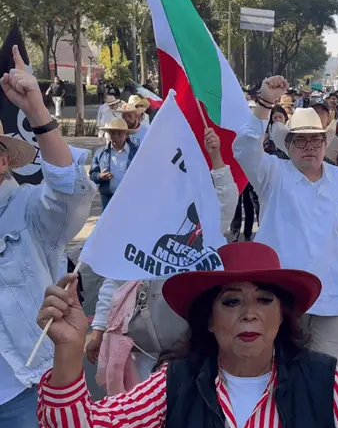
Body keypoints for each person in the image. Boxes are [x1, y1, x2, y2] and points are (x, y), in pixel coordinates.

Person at [36, 243, 338, 428]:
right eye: (231, 302)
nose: (249, 314)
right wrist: (68, 351)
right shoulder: (174, 384)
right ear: (210, 320)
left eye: (264, 300)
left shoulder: (322, 381)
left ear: (282, 315)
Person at [234, 78, 338, 370]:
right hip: (282, 299)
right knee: (279, 371)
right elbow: (245, 148)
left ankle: (325, 418)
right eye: (300, 140)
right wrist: (265, 102)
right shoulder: (273, 175)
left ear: (325, 143)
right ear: (288, 145)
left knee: (329, 376)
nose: (309, 146)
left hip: (333, 297)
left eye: (315, 139)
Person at [86, 128, 241, 382]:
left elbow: (227, 201)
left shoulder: (206, 225)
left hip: (196, 344)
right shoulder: (137, 225)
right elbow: (113, 282)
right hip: (146, 347)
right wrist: (98, 329)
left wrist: (216, 158)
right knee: (149, 413)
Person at [0, 45, 96, 428]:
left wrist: (37, 111)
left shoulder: (27, 211)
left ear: (3, 161)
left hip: (22, 392)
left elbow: (68, 191)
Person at [89, 118, 140, 209]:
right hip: (108, 198)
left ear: (125, 134)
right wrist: (100, 176)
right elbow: (92, 175)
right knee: (108, 223)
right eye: (112, 133)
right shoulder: (101, 153)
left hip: (131, 197)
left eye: (119, 133)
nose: (115, 136)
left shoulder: (137, 152)